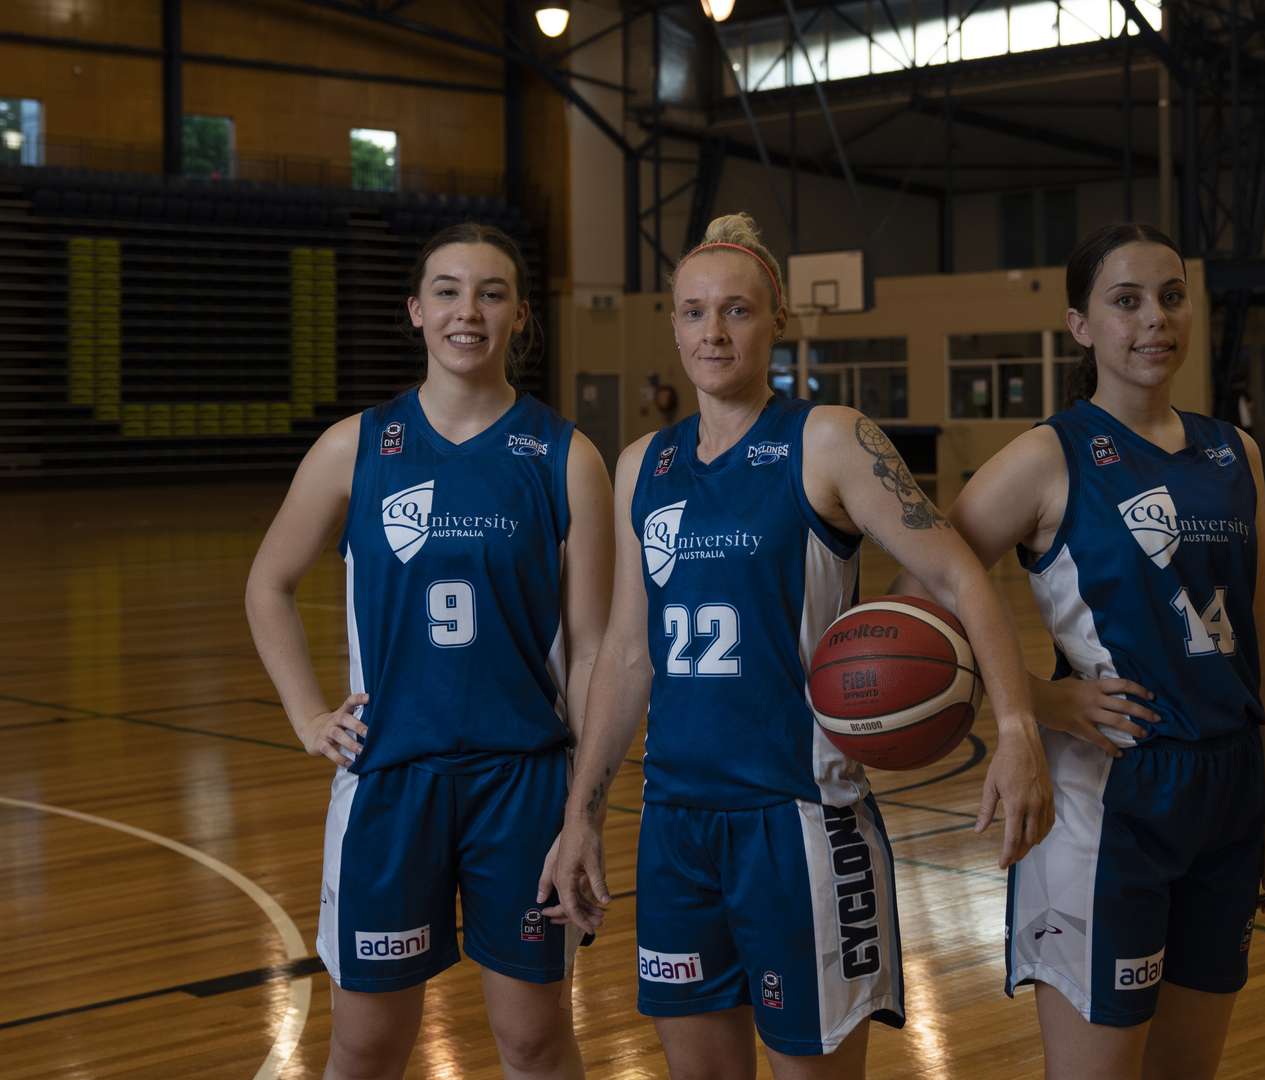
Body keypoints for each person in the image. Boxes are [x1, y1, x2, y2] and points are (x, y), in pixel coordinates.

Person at [540, 212, 1053, 1079]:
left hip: (803, 823)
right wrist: (580, 817)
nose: (713, 331)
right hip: (675, 825)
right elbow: (629, 654)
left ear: (778, 321)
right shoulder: (643, 467)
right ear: (671, 322)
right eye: (694, 311)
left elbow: (964, 577)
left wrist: (1020, 726)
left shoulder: (827, 441)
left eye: (737, 311)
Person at [898, 223, 1265, 1079]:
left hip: (1227, 795)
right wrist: (1036, 704)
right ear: (1081, 326)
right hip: (1109, 800)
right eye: (1126, 301)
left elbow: (1257, 637)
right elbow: (916, 615)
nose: (1154, 319)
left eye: (1171, 295)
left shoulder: (1238, 455)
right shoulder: (1047, 457)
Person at [245, 223, 613, 1080]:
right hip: (390, 782)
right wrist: (306, 715)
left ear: (520, 315)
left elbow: (595, 652)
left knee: (532, 1040)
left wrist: (585, 809)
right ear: (416, 310)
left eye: (491, 293)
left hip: (522, 784)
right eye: (447, 291)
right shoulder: (358, 446)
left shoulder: (564, 458)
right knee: (368, 1045)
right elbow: (268, 583)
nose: (468, 312)